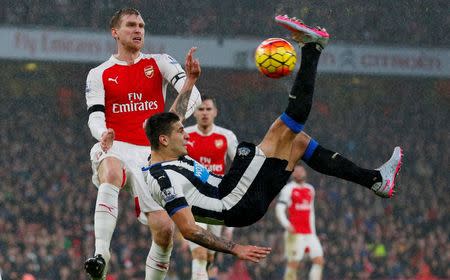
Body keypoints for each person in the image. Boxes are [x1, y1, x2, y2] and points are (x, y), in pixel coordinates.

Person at [137, 15, 403, 263]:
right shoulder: (164, 178)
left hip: (238, 196)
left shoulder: (161, 150)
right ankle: (312, 49)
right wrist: (234, 248)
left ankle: (375, 180)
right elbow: (188, 229)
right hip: (234, 199)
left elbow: (172, 119)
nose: (186, 134)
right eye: (180, 133)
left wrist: (190, 82)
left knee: (297, 141)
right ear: (163, 140)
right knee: (282, 128)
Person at [84, 8, 201, 280]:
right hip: (116, 145)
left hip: (150, 157)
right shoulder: (99, 73)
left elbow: (192, 96)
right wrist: (102, 133)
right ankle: (101, 255)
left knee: (164, 231)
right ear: (115, 32)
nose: (138, 30)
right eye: (131, 25)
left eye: (141, 26)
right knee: (111, 170)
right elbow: (95, 116)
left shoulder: (159, 63)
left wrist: (189, 84)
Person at [184, 96, 238, 280]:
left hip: (216, 202)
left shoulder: (226, 136)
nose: (205, 113)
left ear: (215, 112)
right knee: (199, 252)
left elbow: (239, 168)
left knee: (209, 255)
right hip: (191, 201)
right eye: (200, 109)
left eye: (208, 109)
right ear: (195, 113)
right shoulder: (184, 135)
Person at [276, 164, 324, 280]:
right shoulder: (288, 189)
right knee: (293, 263)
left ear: (305, 173)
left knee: (319, 260)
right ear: (293, 174)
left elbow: (311, 212)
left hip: (309, 232)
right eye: (296, 171)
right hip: (295, 233)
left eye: (301, 170)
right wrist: (287, 225)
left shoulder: (310, 189)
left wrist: (313, 232)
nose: (299, 173)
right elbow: (279, 208)